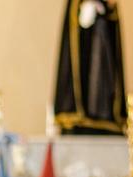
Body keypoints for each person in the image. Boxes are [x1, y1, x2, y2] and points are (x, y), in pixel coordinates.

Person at [54, 0, 127, 134]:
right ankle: (85, 114)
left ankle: (105, 114)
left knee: (104, 68)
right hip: (85, 34)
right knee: (84, 65)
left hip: (103, 31)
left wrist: (107, 7)